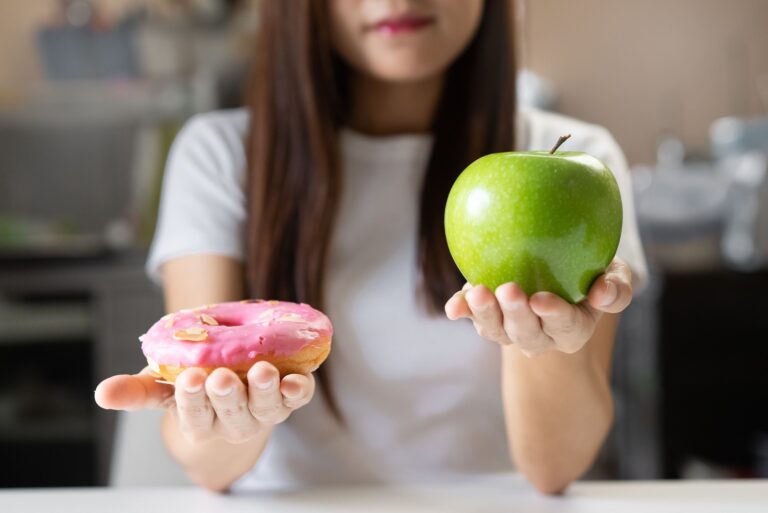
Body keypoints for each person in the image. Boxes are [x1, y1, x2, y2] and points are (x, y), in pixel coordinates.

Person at [95, 0, 647, 495]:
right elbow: (207, 466)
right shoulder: (221, 157)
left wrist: (542, 341)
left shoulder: (582, 159)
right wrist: (231, 417)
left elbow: (555, 470)